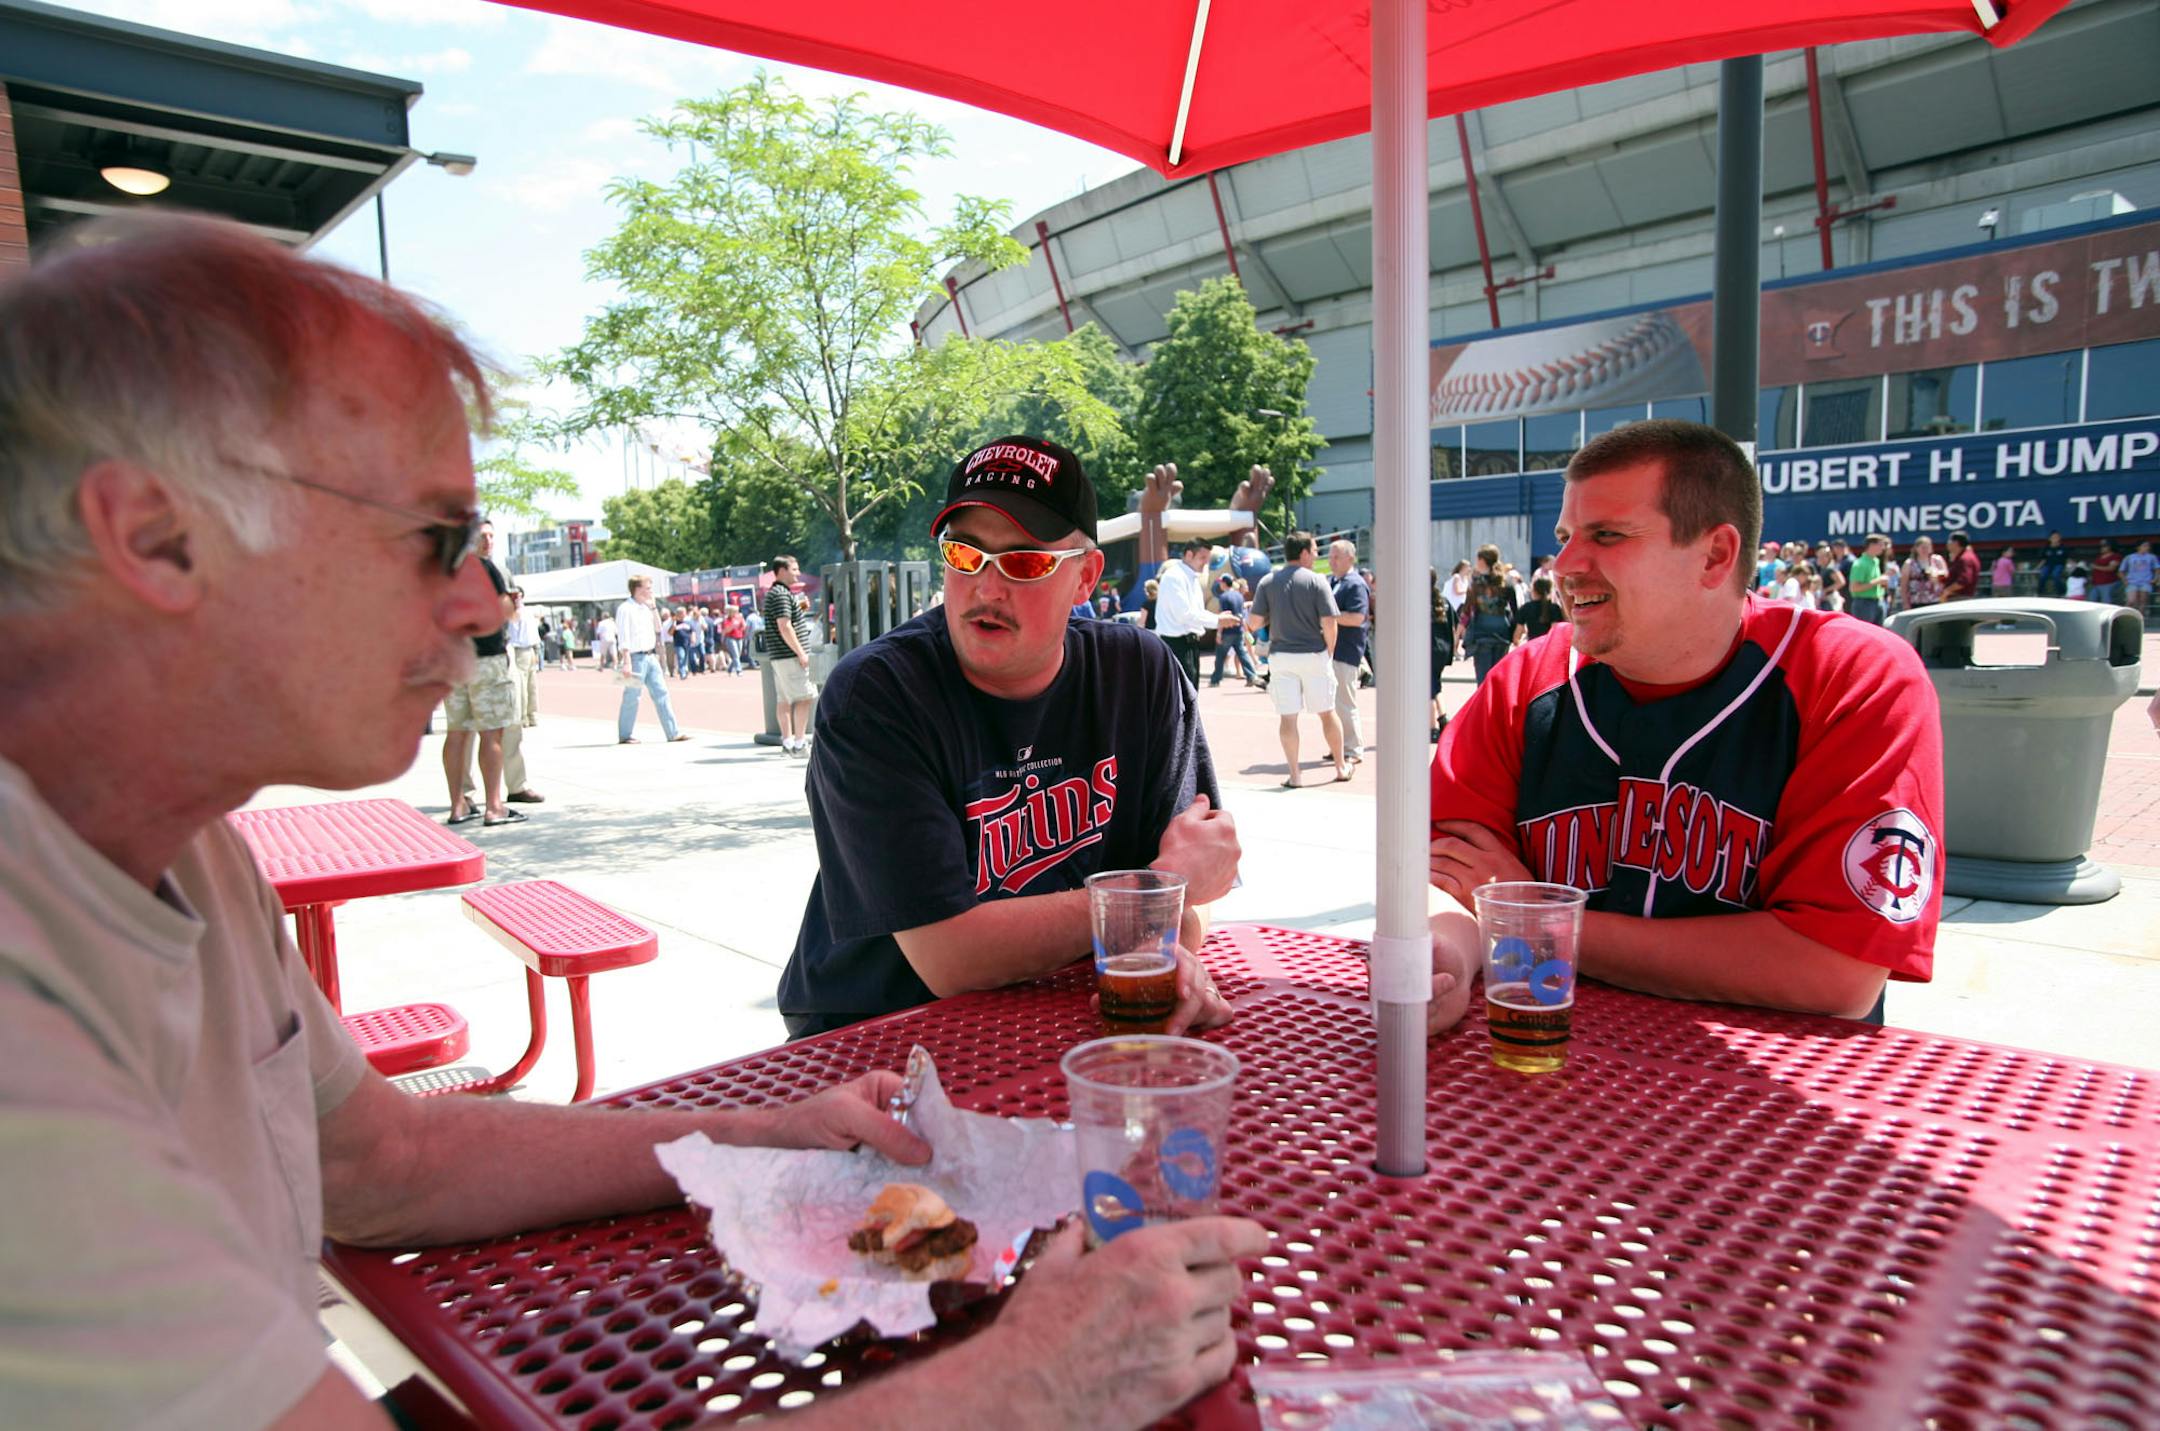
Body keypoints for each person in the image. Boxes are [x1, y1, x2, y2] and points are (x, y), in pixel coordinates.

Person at [0, 216, 1268, 1431]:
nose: (484, 607)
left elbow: (386, 1160)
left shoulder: (186, 853)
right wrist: (1035, 1385)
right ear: (158, 537)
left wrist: (756, 1131)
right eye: (437, 537)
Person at [1423, 419, 1943, 1039]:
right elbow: (1449, 884)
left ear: (1715, 555)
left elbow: (1837, 973)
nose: (1563, 564)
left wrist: (1532, 919)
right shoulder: (1527, 678)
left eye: (1606, 535)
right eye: (1565, 537)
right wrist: (1449, 954)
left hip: (1763, 1088)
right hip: (1546, 1060)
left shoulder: (1851, 675)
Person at [776, 437, 1240, 1039]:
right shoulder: (876, 694)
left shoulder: (1140, 674)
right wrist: (1148, 894)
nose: (987, 589)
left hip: (1064, 1006)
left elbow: (1191, 885)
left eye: (1024, 562)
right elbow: (951, 956)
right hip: (874, 1028)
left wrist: (1173, 938)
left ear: (1085, 579)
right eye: (966, 555)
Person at [1249, 532, 1348, 788]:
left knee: (1288, 718)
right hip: (1314, 654)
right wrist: (1329, 651)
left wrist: (1274, 614)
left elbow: (1254, 622)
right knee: (1327, 713)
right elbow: (1329, 622)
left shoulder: (1268, 582)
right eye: (1314, 551)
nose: (1316, 555)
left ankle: (1295, 775)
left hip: (1281, 657)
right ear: (1303, 553)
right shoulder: (1317, 581)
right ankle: (1340, 766)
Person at [441, 519, 521, 827]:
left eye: (491, 535)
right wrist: (512, 604)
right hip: (486, 660)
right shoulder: (485, 569)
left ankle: (458, 804)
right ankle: (494, 806)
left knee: (457, 732)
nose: (487, 541)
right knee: (492, 733)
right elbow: (505, 612)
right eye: (481, 536)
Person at [615, 574, 690, 744]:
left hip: (650, 656)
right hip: (634, 657)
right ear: (637, 588)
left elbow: (658, 629)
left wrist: (653, 607)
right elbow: (624, 637)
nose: (650, 591)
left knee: (661, 692)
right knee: (631, 696)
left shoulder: (645, 608)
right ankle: (625, 734)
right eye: (648, 588)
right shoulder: (625, 609)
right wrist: (626, 661)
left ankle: (673, 732)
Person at [761, 555, 819, 755]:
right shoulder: (781, 594)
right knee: (805, 697)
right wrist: (801, 653)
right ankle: (800, 743)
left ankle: (788, 742)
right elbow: (784, 626)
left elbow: (784, 621)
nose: (798, 573)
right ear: (782, 570)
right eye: (794, 569)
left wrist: (799, 610)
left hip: (779, 656)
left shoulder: (776, 593)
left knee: (784, 700)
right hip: (789, 656)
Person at [1151, 520, 1213, 688]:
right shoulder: (1174, 577)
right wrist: (1217, 621)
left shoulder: (1189, 577)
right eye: (1203, 558)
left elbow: (1195, 611)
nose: (1206, 563)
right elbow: (1184, 614)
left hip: (1189, 644)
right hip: (1177, 644)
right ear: (1188, 555)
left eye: (1207, 558)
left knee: (1189, 695)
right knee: (1182, 696)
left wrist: (1218, 619)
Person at [1327, 539, 1371, 764]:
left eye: (1336, 557)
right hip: (1332, 651)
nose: (1331, 560)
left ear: (1350, 559)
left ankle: (1353, 749)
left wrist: (1328, 618)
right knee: (1333, 702)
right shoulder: (1333, 581)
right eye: (1330, 556)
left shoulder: (1354, 584)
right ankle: (1340, 745)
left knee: (1345, 702)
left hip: (1346, 651)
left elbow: (1357, 617)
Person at [1462, 571, 1515, 684]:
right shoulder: (1506, 585)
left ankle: (1485, 700)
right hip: (1502, 632)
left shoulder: (1476, 585)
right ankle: (1496, 701)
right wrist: (1514, 634)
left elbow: (1466, 610)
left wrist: (1460, 632)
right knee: (1498, 677)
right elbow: (1515, 611)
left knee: (1483, 679)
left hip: (1482, 633)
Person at [1209, 572, 1258, 686]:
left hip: (1227, 630)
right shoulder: (1239, 596)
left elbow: (1225, 615)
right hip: (1238, 629)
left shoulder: (1224, 597)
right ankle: (1251, 676)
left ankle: (1215, 680)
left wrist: (1219, 633)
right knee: (1242, 654)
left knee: (1220, 656)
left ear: (1224, 583)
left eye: (1221, 582)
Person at [1429, 567, 1457, 743]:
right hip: (1442, 648)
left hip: (1426, 648)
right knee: (1436, 685)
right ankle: (1443, 717)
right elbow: (1453, 629)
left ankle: (1432, 728)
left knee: (1427, 690)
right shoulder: (1444, 601)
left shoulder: (1416, 600)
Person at [1845, 534, 1889, 625]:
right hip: (1864, 603)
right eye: (1880, 545)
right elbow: (1854, 588)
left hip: (1878, 601)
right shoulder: (1860, 564)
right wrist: (1878, 581)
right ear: (1872, 545)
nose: (1883, 548)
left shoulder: (1876, 561)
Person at [1513, 575, 1564, 644]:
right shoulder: (1554, 608)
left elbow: (1517, 636)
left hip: (1533, 647)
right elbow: (1555, 633)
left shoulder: (1526, 607)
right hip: (1548, 647)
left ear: (1534, 591)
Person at [1901, 537, 1947, 611]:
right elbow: (1904, 585)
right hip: (1916, 601)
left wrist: (1936, 574)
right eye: (1922, 547)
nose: (1925, 550)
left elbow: (1946, 574)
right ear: (1916, 548)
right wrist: (1905, 603)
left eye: (1927, 547)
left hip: (1935, 599)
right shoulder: (1909, 563)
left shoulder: (1937, 560)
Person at [1942, 531, 1981, 603]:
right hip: (1959, 598)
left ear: (1956, 543)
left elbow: (1964, 580)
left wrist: (1947, 590)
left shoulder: (1965, 558)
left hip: (1959, 599)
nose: (1947, 544)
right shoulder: (1962, 557)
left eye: (1949, 541)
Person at [2124, 540, 2156, 617]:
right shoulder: (2129, 557)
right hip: (2132, 582)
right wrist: (2125, 580)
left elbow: (2157, 568)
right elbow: (2121, 570)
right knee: (2131, 601)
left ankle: (2139, 618)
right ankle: (2123, 616)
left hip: (2145, 581)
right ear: (2138, 547)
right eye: (2144, 546)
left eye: (2148, 546)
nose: (2147, 548)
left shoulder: (2152, 557)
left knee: (2143, 601)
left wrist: (2155, 579)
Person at [2037, 530, 2069, 597]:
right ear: (2050, 539)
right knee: (2043, 575)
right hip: (2048, 565)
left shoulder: (2063, 548)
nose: (2055, 539)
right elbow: (2044, 559)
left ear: (2059, 538)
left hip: (2059, 565)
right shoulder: (2046, 548)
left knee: (2055, 575)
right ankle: (2040, 593)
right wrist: (2038, 567)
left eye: (2057, 537)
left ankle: (2061, 592)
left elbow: (2067, 558)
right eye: (2053, 537)